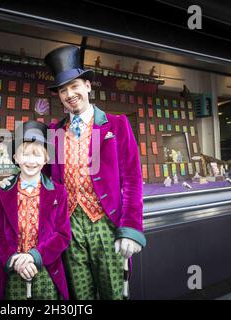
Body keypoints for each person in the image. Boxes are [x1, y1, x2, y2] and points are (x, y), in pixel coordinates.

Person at [44, 45, 146, 299]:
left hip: (105, 223)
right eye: (63, 90)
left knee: (113, 292)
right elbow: (44, 177)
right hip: (69, 225)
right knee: (80, 296)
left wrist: (131, 228)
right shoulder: (55, 132)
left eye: (74, 86)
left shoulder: (117, 125)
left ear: (88, 86)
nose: (70, 94)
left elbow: (132, 180)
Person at [0, 121, 71, 300]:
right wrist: (13, 260)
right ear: (16, 157)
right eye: (25, 154)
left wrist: (35, 256)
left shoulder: (58, 192)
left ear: (46, 159)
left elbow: (63, 235)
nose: (31, 161)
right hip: (13, 273)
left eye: (37, 155)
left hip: (46, 271)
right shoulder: (4, 192)